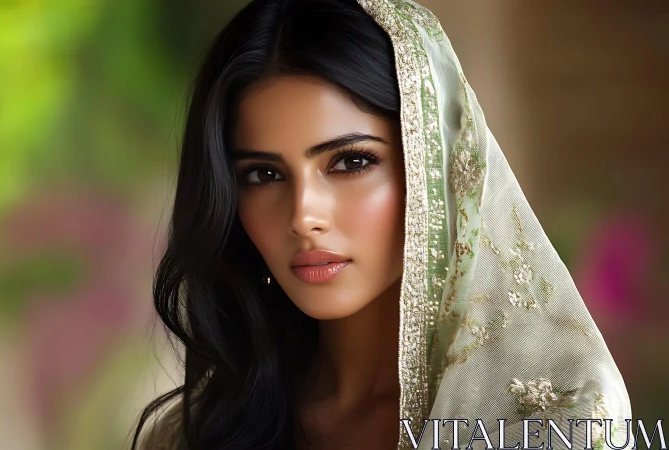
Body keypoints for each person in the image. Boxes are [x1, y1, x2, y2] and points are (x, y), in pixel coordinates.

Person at [131, 0, 632, 449]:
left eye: (349, 162)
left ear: (433, 165)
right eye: (263, 174)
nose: (304, 216)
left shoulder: (554, 424)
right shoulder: (193, 433)